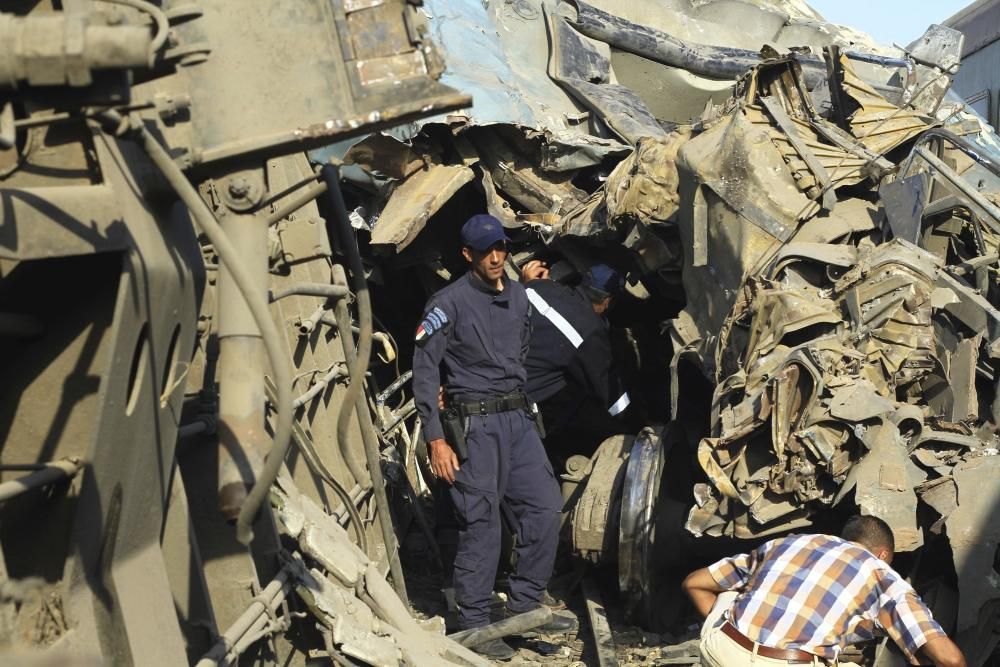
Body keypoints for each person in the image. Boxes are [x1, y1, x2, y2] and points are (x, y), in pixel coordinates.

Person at [411, 214, 576, 660]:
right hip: (474, 428)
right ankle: (478, 625)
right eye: (486, 251)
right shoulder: (447, 304)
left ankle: (523, 611)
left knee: (543, 507)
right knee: (481, 526)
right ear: (469, 255)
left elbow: (521, 350)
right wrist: (436, 439)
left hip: (518, 422)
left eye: (501, 248)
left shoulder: (520, 296)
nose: (496, 257)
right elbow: (425, 376)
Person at [682, 515, 967, 667]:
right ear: (883, 554)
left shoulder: (786, 544)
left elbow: (693, 582)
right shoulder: (881, 575)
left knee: (731, 594)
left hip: (720, 653)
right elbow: (950, 659)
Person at [519, 260, 631, 446]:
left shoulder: (537, 287)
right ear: (607, 301)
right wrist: (635, 422)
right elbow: (613, 399)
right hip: (519, 405)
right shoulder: (589, 330)